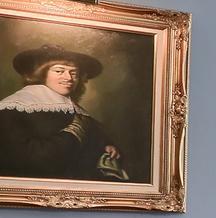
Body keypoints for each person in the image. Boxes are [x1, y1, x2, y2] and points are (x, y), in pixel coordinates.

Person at [0, 44, 129, 181]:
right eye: (59, 71)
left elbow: (97, 140)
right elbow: (30, 159)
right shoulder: (14, 108)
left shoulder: (73, 108)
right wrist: (73, 132)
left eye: (74, 73)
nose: (69, 78)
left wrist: (106, 147)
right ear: (41, 73)